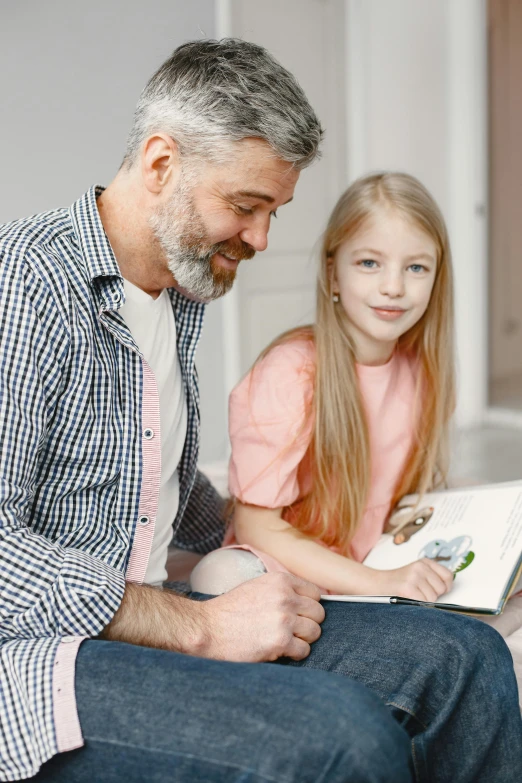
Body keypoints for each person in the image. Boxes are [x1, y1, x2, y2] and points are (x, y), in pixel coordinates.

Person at [0, 39, 519, 783]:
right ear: (159, 164)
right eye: (245, 206)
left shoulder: (176, 300)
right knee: (344, 737)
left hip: (159, 605)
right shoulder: (24, 285)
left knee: (464, 660)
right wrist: (203, 625)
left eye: (274, 211)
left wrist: (273, 552)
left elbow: (155, 494)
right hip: (45, 660)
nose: (262, 239)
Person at [191, 173, 458, 601]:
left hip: (370, 558)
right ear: (333, 275)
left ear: (435, 278)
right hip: (298, 566)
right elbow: (258, 527)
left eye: (416, 267)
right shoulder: (292, 372)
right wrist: (379, 583)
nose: (393, 286)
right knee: (221, 575)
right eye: (369, 263)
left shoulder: (420, 372)